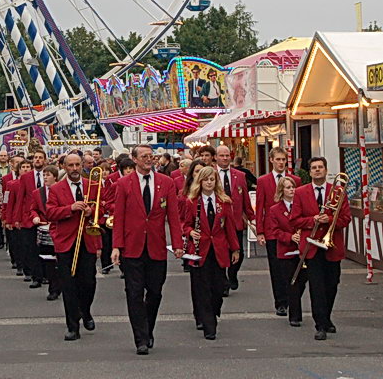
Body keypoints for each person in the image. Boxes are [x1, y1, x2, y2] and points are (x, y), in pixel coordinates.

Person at [110, 144, 184, 355]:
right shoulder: (124, 184)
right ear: (134, 159)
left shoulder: (166, 183)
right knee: (133, 293)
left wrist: (178, 244)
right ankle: (140, 338)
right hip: (132, 248)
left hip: (156, 246)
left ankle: (148, 328)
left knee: (155, 292)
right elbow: (119, 218)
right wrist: (116, 246)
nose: (148, 159)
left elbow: (174, 217)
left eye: (151, 156)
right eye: (144, 156)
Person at [290, 157, 351, 341]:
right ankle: (320, 325)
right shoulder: (300, 193)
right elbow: (294, 219)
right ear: (309, 172)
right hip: (311, 246)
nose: (317, 170)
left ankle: (326, 317)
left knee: (332, 284)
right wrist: (313, 220)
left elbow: (346, 218)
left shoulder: (338, 191)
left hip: (331, 246)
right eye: (314, 168)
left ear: (325, 170)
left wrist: (330, 220)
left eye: (320, 167)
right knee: (316, 287)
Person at [47, 154, 101, 340]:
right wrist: (70, 208)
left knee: (89, 282)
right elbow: (50, 212)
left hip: (88, 240)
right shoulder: (56, 189)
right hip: (66, 242)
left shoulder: (91, 185)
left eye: (78, 164)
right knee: (68, 285)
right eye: (71, 165)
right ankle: (72, 326)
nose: (75, 168)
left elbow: (101, 208)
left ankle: (84, 311)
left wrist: (90, 211)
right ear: (64, 167)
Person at [182, 166, 239, 340]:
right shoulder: (192, 201)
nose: (209, 182)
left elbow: (230, 227)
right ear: (200, 182)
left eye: (212, 179)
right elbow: (185, 224)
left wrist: (235, 248)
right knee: (202, 288)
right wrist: (191, 232)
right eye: (206, 179)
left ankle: (214, 311)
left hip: (219, 249)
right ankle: (209, 325)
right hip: (200, 250)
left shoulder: (224, 202)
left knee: (218, 287)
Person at [255, 146, 298, 316]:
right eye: (278, 159)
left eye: (283, 159)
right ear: (271, 160)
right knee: (276, 267)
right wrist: (260, 231)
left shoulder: (295, 180)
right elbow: (259, 207)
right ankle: (280, 301)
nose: (281, 163)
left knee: (293, 266)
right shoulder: (263, 181)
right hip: (272, 231)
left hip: (291, 230)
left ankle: (293, 298)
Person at [266, 176, 305, 327]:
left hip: (302, 249)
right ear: (282, 190)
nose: (292, 190)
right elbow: (275, 231)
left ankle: (292, 301)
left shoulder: (301, 206)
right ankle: (295, 316)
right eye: (288, 187)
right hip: (286, 250)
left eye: (293, 187)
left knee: (302, 280)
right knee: (291, 282)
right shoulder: (275, 210)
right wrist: (290, 237)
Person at [214, 145, 252, 295]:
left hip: (236, 220)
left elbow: (245, 199)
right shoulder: (211, 174)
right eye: (221, 156)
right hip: (218, 221)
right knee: (221, 251)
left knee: (238, 251)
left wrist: (251, 216)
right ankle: (224, 281)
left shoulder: (239, 175)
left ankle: (233, 273)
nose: (224, 158)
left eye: (227, 155)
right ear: (216, 157)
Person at [11, 150, 48, 284]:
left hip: (46, 217)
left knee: (45, 248)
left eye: (40, 158)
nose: (37, 160)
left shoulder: (49, 174)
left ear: (45, 160)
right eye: (36, 158)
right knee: (31, 248)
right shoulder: (26, 177)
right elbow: (20, 198)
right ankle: (35, 276)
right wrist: (17, 219)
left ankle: (46, 275)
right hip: (28, 217)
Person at [30, 165, 62, 303]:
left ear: (55, 177)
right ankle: (53, 288)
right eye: (44, 175)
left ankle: (60, 284)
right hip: (44, 228)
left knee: (60, 259)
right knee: (47, 259)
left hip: (59, 228)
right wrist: (35, 216)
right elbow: (33, 209)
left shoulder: (62, 190)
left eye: (48, 175)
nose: (45, 178)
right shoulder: (38, 192)